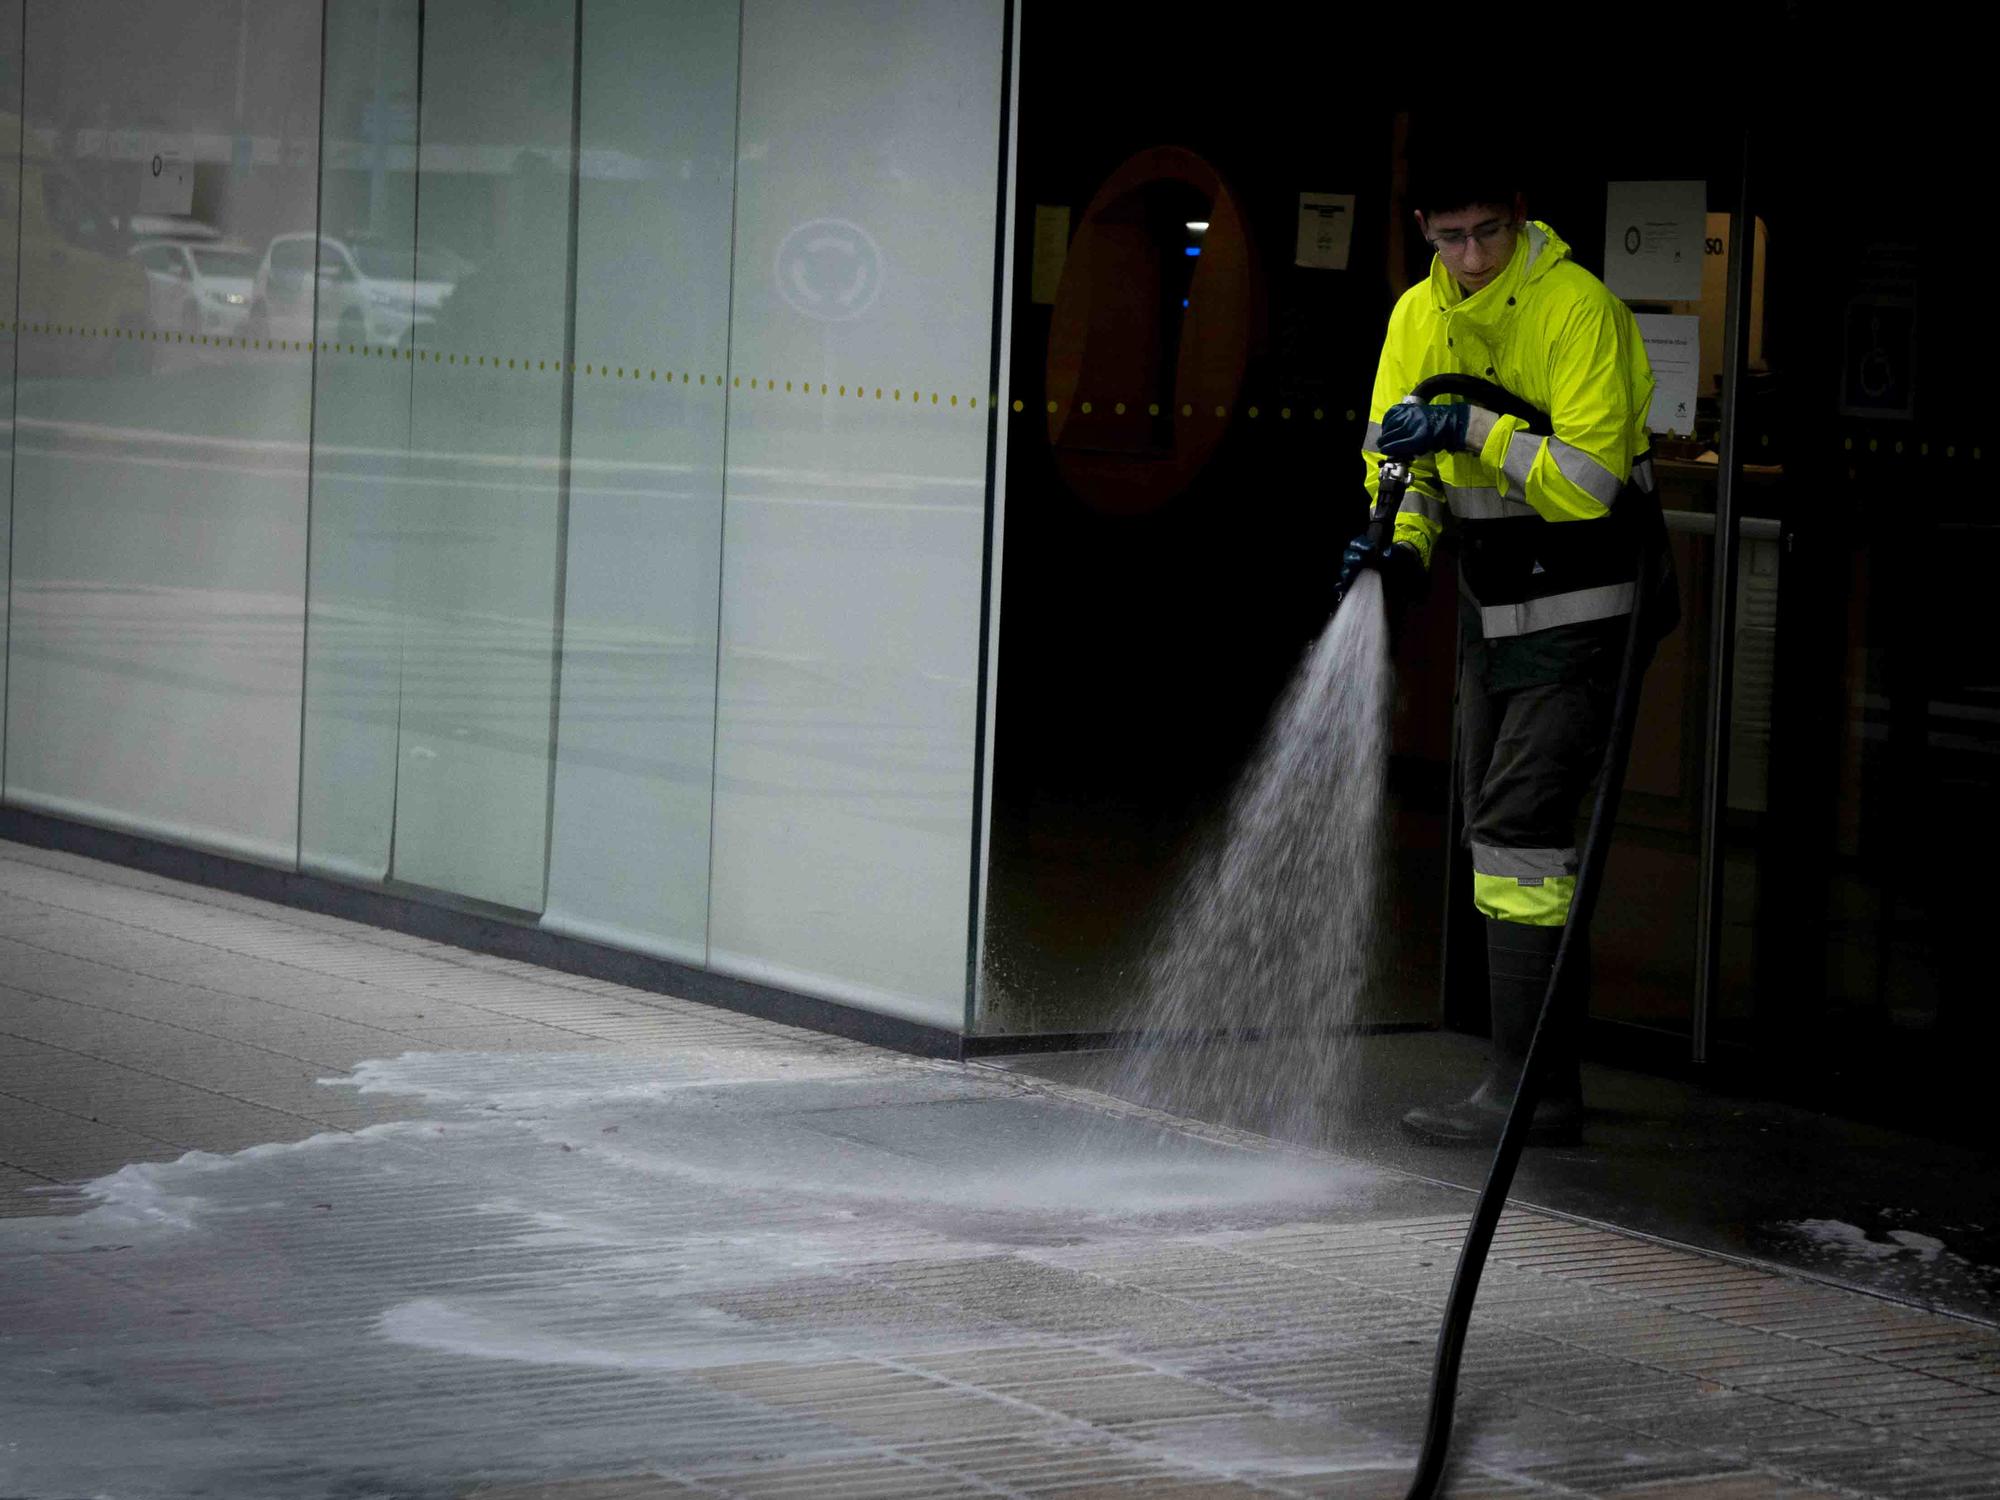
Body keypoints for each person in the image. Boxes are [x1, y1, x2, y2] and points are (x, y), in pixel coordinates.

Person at [1338, 149, 1669, 1148]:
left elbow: (1583, 485)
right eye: (1448, 237)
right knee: (1497, 838)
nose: (1471, 256)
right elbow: (1393, 457)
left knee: (1521, 828)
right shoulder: (1413, 316)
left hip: (1593, 602)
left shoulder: (1574, 309)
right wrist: (1396, 545)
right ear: (1422, 234)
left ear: (1519, 217)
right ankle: (1531, 1083)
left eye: (1487, 232)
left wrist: (1474, 426)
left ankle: (1526, 1090)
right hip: (1498, 612)